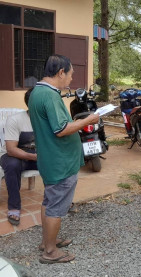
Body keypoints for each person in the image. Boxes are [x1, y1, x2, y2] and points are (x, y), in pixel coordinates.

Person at [28, 54, 99, 264]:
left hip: (51, 159)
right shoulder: (50, 96)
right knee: (56, 206)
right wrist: (89, 119)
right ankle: (50, 252)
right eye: (70, 75)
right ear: (60, 72)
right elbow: (61, 129)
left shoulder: (37, 92)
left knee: (49, 201)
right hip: (60, 161)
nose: (70, 79)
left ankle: (47, 241)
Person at [0, 88, 37, 226]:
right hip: (14, 155)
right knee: (12, 165)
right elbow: (11, 149)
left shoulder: (47, 119)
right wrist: (35, 157)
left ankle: (59, 200)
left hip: (37, 156)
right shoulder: (15, 120)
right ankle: (14, 206)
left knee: (56, 163)